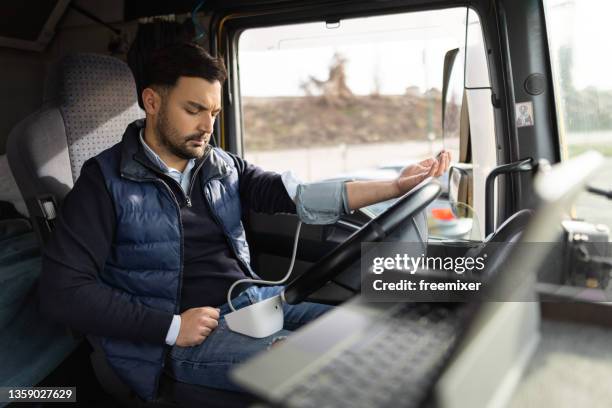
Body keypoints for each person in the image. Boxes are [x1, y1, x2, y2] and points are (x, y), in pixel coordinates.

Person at [39, 42, 450, 401]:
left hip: (256, 303)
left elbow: (298, 195)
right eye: (194, 110)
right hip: (182, 342)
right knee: (341, 374)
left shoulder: (220, 165)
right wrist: (169, 327)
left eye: (214, 112)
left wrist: (395, 186)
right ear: (152, 102)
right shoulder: (104, 182)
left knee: (379, 334)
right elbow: (63, 292)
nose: (207, 127)